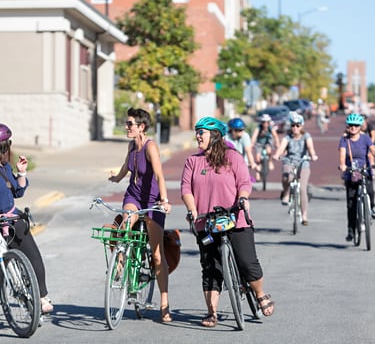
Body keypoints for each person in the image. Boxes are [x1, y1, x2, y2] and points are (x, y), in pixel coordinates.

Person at [181, 116, 274, 328]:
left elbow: (244, 181)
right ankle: (211, 312)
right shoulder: (193, 161)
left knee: (247, 263)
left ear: (214, 136)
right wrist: (192, 209)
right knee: (211, 268)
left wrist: (243, 198)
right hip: (206, 223)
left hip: (234, 218)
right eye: (197, 131)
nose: (197, 136)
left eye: (201, 132)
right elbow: (186, 188)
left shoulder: (233, 157)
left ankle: (259, 294)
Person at [108, 108, 173, 323]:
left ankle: (164, 303)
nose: (126, 127)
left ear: (141, 127)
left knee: (156, 255)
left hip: (153, 201)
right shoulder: (131, 146)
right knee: (126, 222)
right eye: (126, 124)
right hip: (134, 197)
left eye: (129, 124)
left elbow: (159, 175)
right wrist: (116, 179)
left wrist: (164, 200)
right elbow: (127, 167)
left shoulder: (150, 147)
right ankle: (120, 260)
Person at [0, 123, 53, 314]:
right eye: (5, 145)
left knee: (33, 256)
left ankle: (41, 296)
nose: (6, 149)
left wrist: (21, 172)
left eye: (6, 145)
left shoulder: (4, 168)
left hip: (11, 219)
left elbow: (18, 191)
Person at [273, 112, 318, 225]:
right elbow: (281, 148)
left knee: (302, 189)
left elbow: (310, 147)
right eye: (293, 125)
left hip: (303, 163)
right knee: (286, 177)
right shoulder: (287, 137)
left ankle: (304, 216)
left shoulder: (306, 136)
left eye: (298, 125)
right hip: (290, 162)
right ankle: (286, 193)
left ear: (302, 126)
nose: (295, 128)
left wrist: (313, 155)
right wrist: (277, 155)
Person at [338, 113, 375, 242]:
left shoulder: (365, 138)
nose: (353, 128)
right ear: (348, 126)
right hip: (351, 172)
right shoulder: (344, 140)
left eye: (356, 125)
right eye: (351, 125)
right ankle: (351, 230)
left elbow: (372, 149)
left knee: (370, 191)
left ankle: (373, 208)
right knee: (351, 204)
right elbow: (342, 155)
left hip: (364, 169)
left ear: (360, 127)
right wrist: (343, 165)